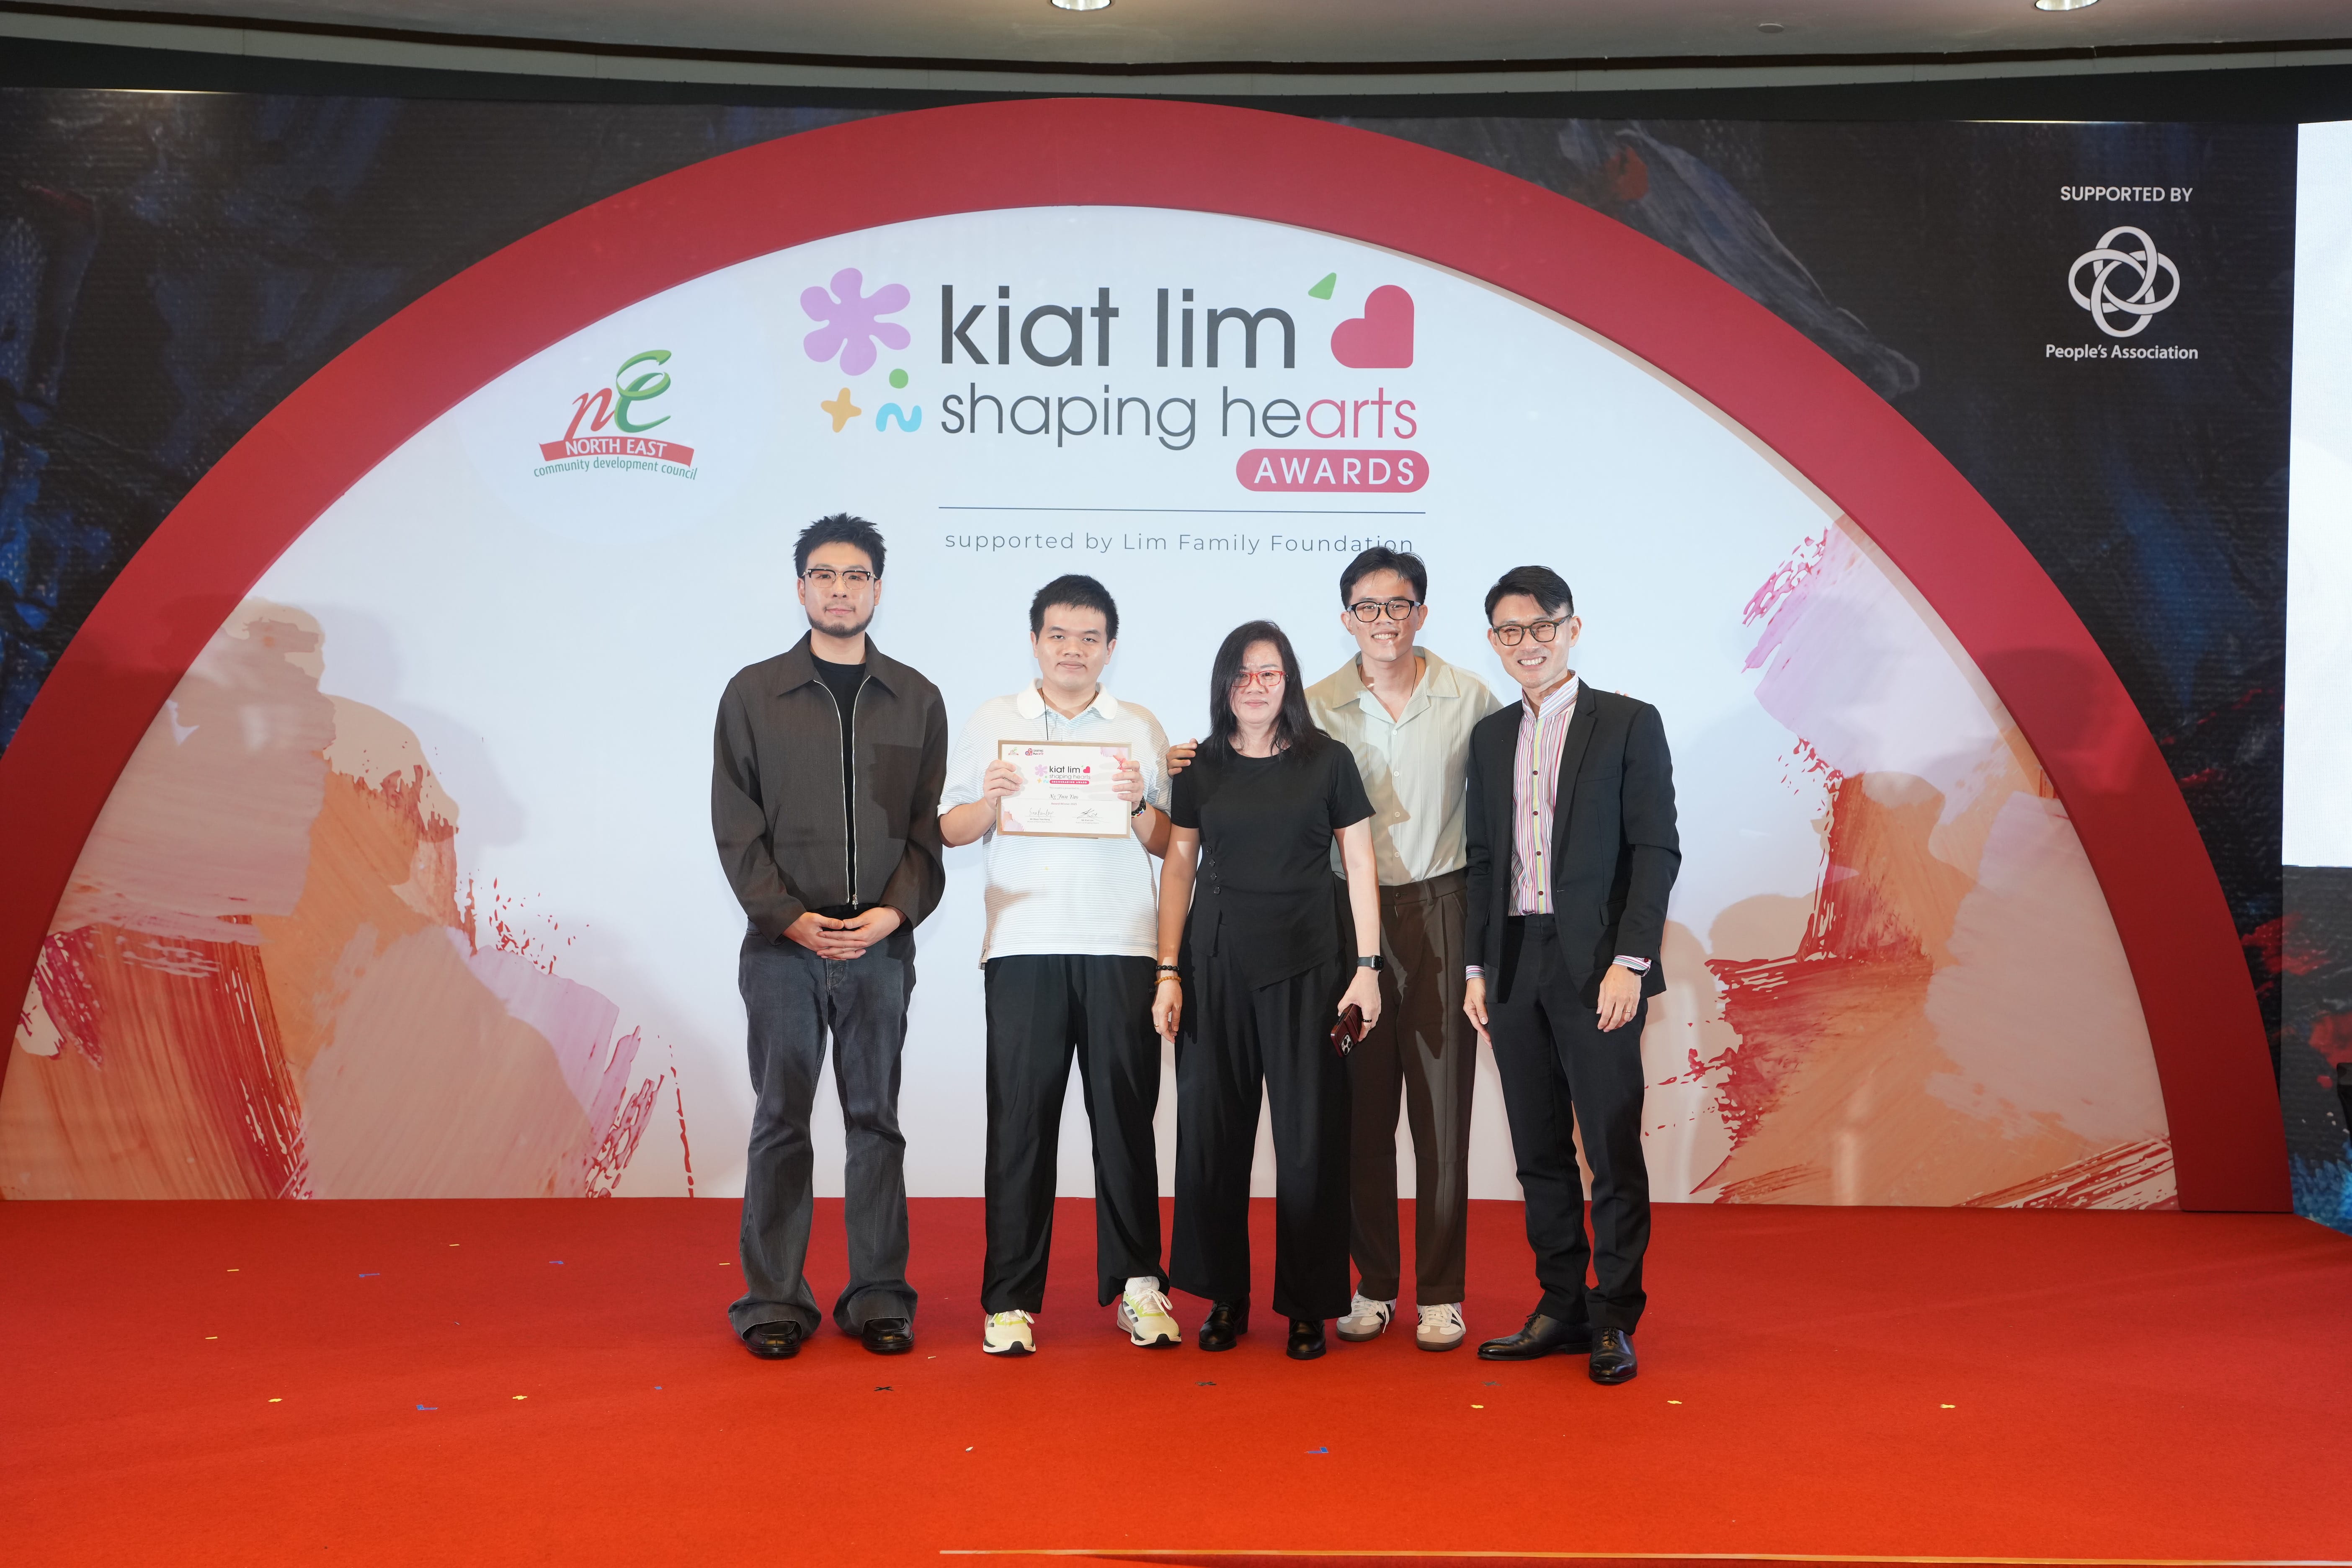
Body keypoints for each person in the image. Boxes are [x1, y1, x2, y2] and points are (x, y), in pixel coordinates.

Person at [711, 513, 949, 1362]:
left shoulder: (917, 698)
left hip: (880, 947)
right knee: (781, 1120)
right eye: (824, 575)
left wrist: (892, 915)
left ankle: (879, 1295)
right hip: (782, 948)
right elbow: (736, 828)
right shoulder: (753, 693)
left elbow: (925, 831)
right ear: (801, 587)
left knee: (874, 1120)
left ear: (879, 589)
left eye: (856, 576)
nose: (840, 589)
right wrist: (790, 918)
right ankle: (774, 1298)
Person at [937, 575, 1182, 1357]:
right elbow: (952, 827)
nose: (1072, 650)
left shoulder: (1138, 727)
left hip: (1122, 945)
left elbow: (1170, 844)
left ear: (1111, 646)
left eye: (1089, 638)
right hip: (1023, 944)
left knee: (1126, 1124)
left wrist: (1140, 802)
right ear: (1035, 641)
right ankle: (1010, 1302)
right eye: (1058, 636)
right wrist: (993, 799)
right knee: (1020, 1124)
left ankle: (1140, 1286)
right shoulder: (992, 722)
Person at [1461, 565, 1679, 1385]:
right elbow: (1485, 860)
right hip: (1515, 961)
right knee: (1539, 1148)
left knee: (1611, 1147)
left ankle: (1615, 1316)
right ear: (1492, 641)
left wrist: (1632, 962)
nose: (1528, 643)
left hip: (1598, 968)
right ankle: (1562, 1305)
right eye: (1510, 632)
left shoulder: (1626, 723)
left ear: (1572, 628)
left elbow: (1655, 851)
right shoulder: (1488, 739)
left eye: (1542, 626)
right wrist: (1479, 966)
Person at [1153, 620, 1384, 1362]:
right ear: (1224, 684)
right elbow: (1179, 868)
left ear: (1289, 682)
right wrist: (1167, 970)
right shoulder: (1200, 766)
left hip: (1311, 968)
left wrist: (1369, 969)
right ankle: (1226, 1297)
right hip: (1214, 968)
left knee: (1311, 1143)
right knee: (1213, 1140)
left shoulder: (1329, 761)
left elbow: (1361, 862)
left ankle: (1310, 1304)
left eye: (1271, 673)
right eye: (1242, 674)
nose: (1256, 686)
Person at [1304, 549, 1501, 1353]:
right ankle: (1375, 1285)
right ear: (1345, 616)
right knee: (1360, 1112)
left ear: (1422, 612)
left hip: (1443, 908)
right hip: (1347, 921)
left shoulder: (1471, 698)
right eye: (1367, 608)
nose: (1383, 621)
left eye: (1399, 606)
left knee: (1442, 1109)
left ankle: (1443, 1294)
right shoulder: (1314, 705)